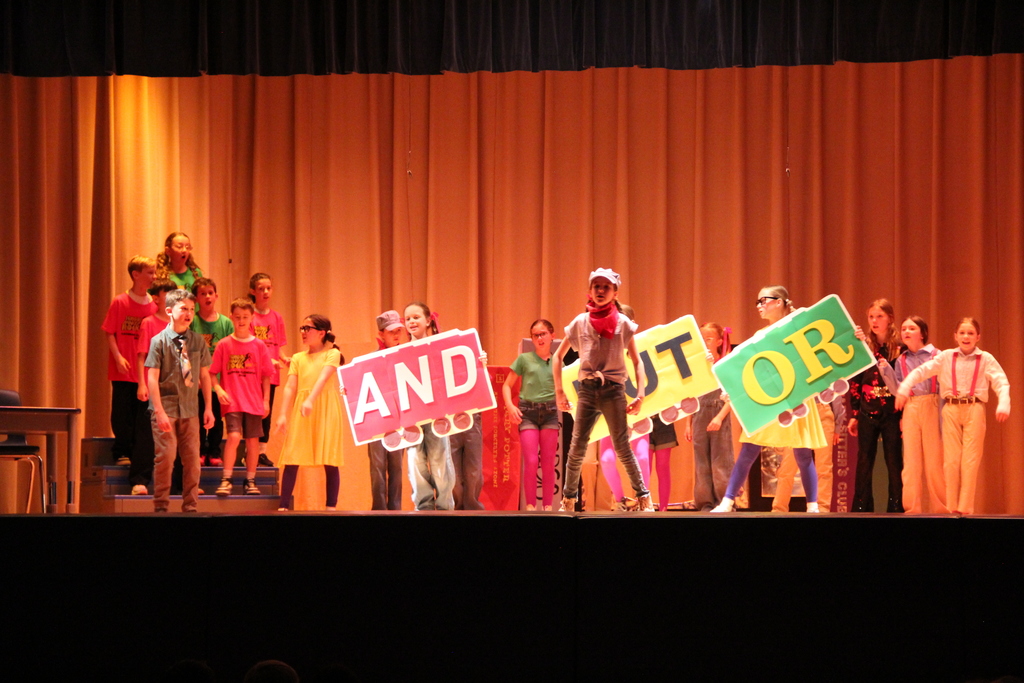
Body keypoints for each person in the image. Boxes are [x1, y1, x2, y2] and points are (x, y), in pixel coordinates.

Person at [712, 286, 824, 513]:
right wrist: (733, 391)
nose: (760, 306)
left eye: (765, 300)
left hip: (795, 396)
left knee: (802, 453)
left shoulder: (798, 325)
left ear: (781, 302)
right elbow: (747, 368)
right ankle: (727, 501)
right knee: (749, 450)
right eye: (757, 302)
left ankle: (812, 506)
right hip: (769, 398)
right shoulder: (759, 336)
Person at [552, 268, 655, 512]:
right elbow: (558, 356)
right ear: (589, 290)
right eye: (596, 286)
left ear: (615, 293)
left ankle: (643, 496)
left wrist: (640, 393)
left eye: (606, 287)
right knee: (577, 446)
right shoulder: (580, 322)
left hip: (613, 390)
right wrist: (559, 391)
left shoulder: (623, 323)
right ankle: (568, 500)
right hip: (587, 389)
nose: (600, 290)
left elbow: (638, 361)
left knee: (622, 446)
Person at [896, 317, 1010, 515]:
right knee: (950, 460)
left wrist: (1003, 402)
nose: (966, 337)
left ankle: (964, 509)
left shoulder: (985, 358)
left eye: (971, 333)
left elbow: (1001, 381)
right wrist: (905, 387)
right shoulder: (946, 356)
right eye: (962, 333)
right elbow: (922, 371)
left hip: (974, 408)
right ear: (955, 336)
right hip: (951, 409)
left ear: (978, 337)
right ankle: (950, 508)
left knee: (970, 460)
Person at [145, 289, 214, 513]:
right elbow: (152, 379)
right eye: (183, 308)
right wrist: (159, 411)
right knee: (165, 457)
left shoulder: (197, 341)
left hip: (190, 408)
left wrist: (209, 408)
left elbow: (204, 375)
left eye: (192, 310)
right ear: (169, 311)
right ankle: (161, 506)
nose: (188, 313)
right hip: (166, 407)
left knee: (193, 460)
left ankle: (191, 506)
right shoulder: (159, 341)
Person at [275, 314, 346, 510]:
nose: (304, 333)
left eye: (308, 329)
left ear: (322, 333)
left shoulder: (333, 354)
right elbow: (290, 387)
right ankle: (283, 506)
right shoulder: (298, 357)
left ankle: (331, 508)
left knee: (329, 457)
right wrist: (282, 414)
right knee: (292, 456)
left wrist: (310, 400)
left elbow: (323, 379)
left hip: (325, 407)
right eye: (302, 328)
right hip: (303, 407)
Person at [211, 298, 275, 497]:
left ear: (252, 318)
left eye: (245, 317)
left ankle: (250, 480)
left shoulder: (259, 346)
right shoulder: (223, 344)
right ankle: (227, 478)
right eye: (237, 317)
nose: (241, 321)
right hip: (233, 401)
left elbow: (266, 375)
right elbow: (212, 373)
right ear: (231, 318)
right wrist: (219, 389)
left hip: (254, 401)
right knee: (234, 436)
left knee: (253, 441)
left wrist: (265, 401)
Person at [101, 255, 157, 472]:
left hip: (145, 370)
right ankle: (121, 450)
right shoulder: (120, 302)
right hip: (123, 368)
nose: (154, 277)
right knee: (122, 411)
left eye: (154, 272)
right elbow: (109, 332)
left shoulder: (154, 305)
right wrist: (118, 357)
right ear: (136, 275)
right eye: (150, 272)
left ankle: (139, 452)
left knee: (141, 414)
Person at [849, 299, 905, 513]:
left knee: (893, 460)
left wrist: (904, 415)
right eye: (871, 316)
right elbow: (855, 380)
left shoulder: (899, 347)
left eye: (879, 316)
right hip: (867, 410)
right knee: (864, 460)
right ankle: (861, 508)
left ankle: (896, 507)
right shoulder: (863, 345)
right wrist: (854, 413)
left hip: (892, 412)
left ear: (890, 318)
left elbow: (903, 380)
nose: (874, 321)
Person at [403, 301, 456, 510]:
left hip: (437, 414)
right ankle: (423, 508)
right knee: (415, 460)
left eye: (416, 317)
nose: (412, 321)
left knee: (439, 458)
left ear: (428, 320)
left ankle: (444, 508)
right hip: (412, 417)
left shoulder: (440, 346)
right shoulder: (398, 352)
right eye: (407, 318)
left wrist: (480, 361)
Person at [503, 319, 560, 511]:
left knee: (548, 462)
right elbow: (506, 385)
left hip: (551, 412)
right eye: (536, 335)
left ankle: (547, 508)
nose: (540, 338)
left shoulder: (558, 360)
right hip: (528, 413)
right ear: (532, 339)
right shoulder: (524, 359)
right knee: (531, 460)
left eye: (543, 333)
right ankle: (530, 507)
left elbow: (565, 387)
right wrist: (510, 406)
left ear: (552, 335)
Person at [892, 316, 945, 514]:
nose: (906, 331)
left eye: (911, 328)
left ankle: (941, 509)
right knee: (911, 464)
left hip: (932, 403)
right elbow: (898, 390)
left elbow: (944, 387)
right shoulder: (901, 360)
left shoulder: (936, 355)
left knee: (934, 462)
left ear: (922, 333)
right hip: (911, 407)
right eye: (904, 328)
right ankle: (912, 510)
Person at [132, 277, 179, 495]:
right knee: (146, 434)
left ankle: (180, 484)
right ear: (156, 298)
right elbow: (142, 356)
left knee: (177, 436)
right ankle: (140, 480)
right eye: (165, 294)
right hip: (153, 388)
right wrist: (142, 384)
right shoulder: (148, 323)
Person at [684, 322, 734, 512]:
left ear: (720, 341)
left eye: (709, 339)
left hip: (718, 413)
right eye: (702, 339)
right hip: (699, 414)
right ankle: (704, 504)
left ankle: (724, 502)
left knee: (721, 461)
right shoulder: (696, 366)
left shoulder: (725, 364)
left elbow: (733, 396)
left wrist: (720, 417)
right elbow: (690, 395)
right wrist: (688, 423)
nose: (705, 343)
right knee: (702, 462)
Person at [191, 277, 234, 466]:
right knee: (199, 415)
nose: (207, 296)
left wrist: (224, 381)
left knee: (216, 415)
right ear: (196, 298)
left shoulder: (225, 323)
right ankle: (200, 450)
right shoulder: (192, 322)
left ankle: (215, 451)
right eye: (203, 294)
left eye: (210, 293)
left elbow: (232, 352)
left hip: (218, 382)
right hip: (197, 381)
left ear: (216, 295)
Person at [249, 272, 290, 467]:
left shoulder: (277, 317)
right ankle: (250, 451)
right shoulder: (249, 316)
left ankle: (262, 452)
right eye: (261, 289)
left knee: (266, 411)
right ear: (253, 291)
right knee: (253, 412)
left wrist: (283, 358)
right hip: (252, 373)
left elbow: (278, 345)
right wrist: (266, 360)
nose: (265, 292)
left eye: (268, 288)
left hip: (270, 374)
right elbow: (247, 345)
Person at [367, 310, 406, 510]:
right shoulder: (369, 360)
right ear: (381, 334)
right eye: (392, 332)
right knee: (377, 467)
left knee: (397, 467)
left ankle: (395, 510)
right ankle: (379, 510)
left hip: (399, 421)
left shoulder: (406, 356)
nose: (397, 335)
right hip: (376, 422)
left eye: (399, 330)